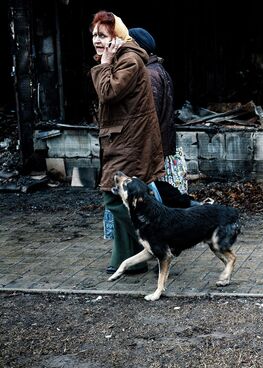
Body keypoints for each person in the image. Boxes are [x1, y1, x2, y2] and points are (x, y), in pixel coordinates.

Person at [89, 11, 165, 275]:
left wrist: (104, 63)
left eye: (103, 35)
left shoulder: (129, 60)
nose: (97, 41)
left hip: (130, 141)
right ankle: (127, 260)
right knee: (121, 199)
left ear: (117, 36)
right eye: (94, 35)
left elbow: (108, 92)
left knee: (113, 196)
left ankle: (158, 238)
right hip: (122, 138)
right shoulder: (121, 58)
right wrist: (106, 61)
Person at [129, 27, 188, 195]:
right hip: (160, 147)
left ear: (137, 47)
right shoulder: (157, 70)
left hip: (153, 150)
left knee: (157, 202)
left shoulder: (147, 74)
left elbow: (148, 117)